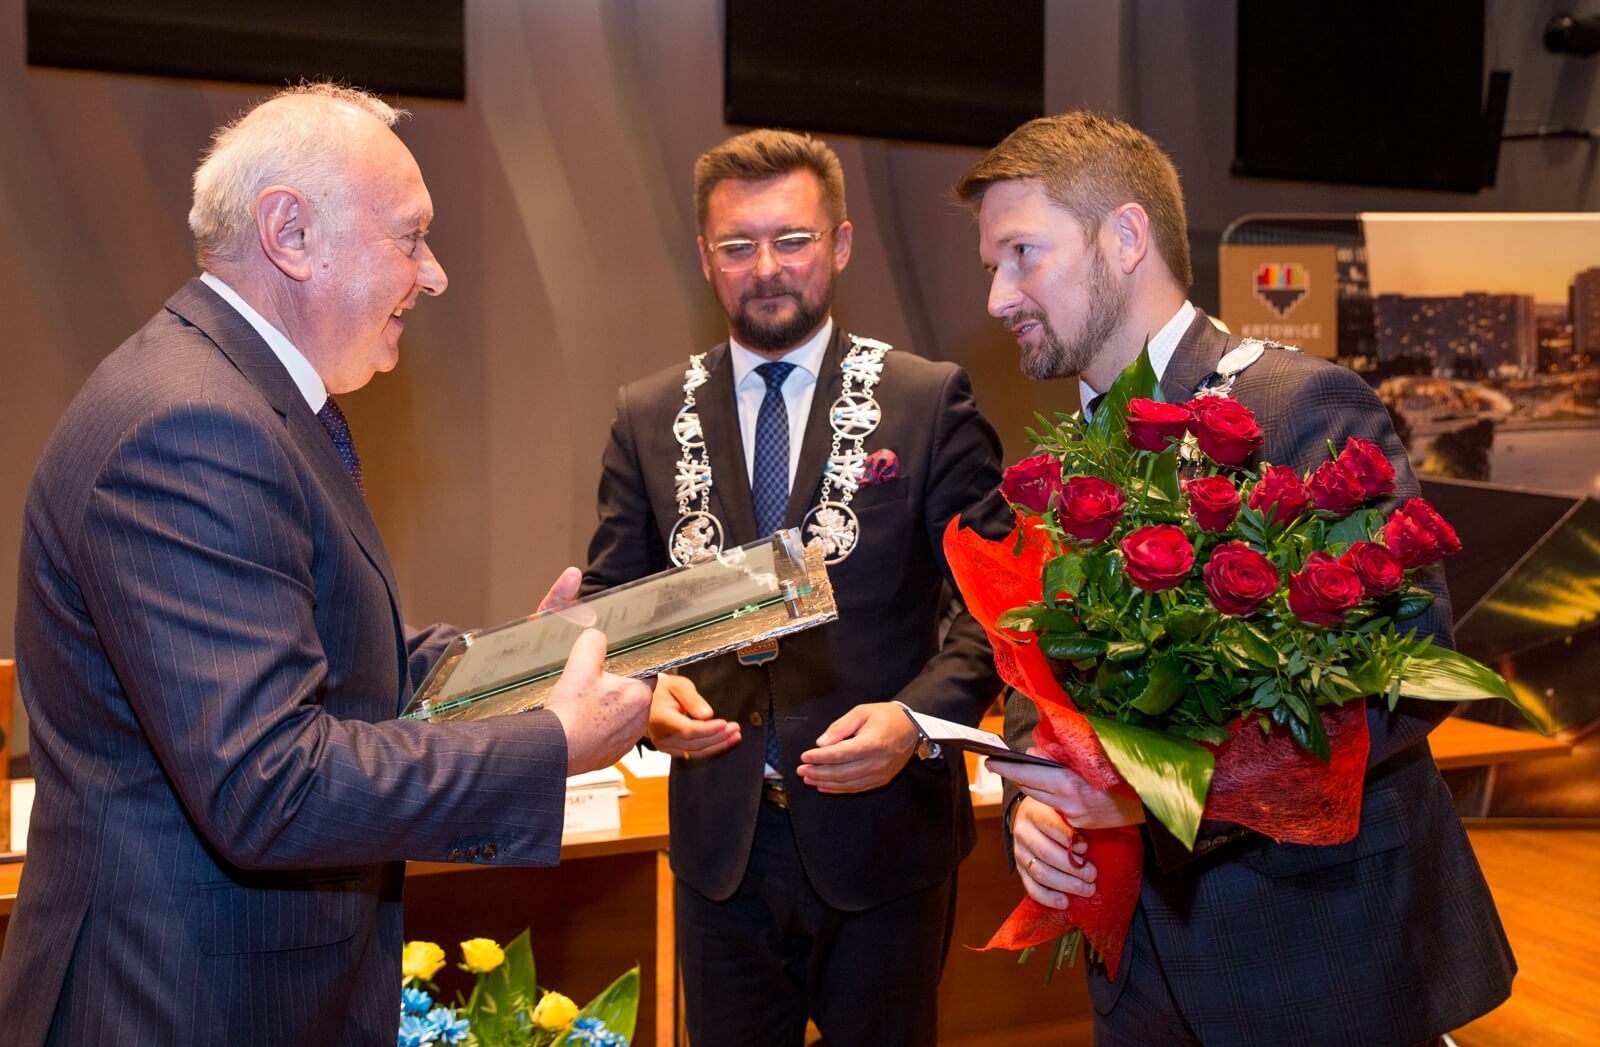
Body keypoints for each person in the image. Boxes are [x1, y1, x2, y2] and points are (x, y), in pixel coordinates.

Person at [0, 84, 651, 1047]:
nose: (433, 276)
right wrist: (551, 742)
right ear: (291, 234)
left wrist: (524, 664)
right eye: (411, 236)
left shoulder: (233, 397)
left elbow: (330, 659)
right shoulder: (192, 424)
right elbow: (270, 783)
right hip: (170, 1005)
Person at [953, 112, 1515, 1046]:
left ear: (1126, 237)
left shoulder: (1300, 405)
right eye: (992, 265)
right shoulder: (1066, 456)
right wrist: (1035, 802)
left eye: (1022, 253)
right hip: (1135, 968)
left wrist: (1147, 791)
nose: (999, 295)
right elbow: (1040, 673)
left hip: (1316, 956)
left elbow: (1407, 673)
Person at [582, 129, 1009, 1046]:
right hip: (719, 845)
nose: (765, 267)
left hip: (886, 834)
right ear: (705, 257)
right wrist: (647, 697)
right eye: (737, 246)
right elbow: (613, 612)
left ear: (841, 244)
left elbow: (991, 614)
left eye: (793, 239)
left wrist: (917, 721)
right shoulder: (647, 416)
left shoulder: (930, 400)